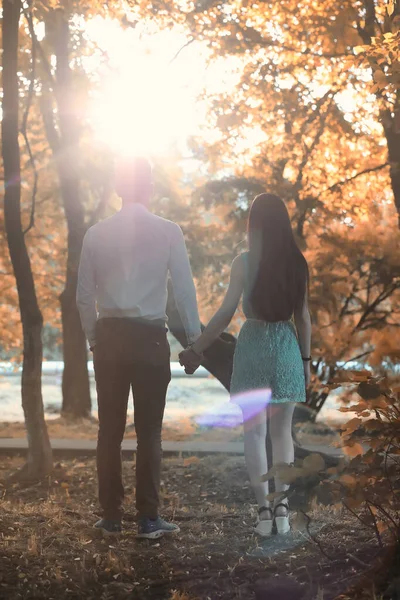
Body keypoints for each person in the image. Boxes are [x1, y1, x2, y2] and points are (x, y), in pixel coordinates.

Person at [77, 157, 201, 539]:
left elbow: (84, 296)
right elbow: (183, 291)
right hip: (150, 339)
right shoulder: (168, 231)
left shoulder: (95, 234)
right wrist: (195, 342)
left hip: (110, 337)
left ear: (117, 188)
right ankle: (148, 519)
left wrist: (93, 338)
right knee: (149, 431)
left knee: (109, 431)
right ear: (149, 188)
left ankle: (110, 517)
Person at [180, 193, 311, 537]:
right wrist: (307, 361)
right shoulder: (298, 263)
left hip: (252, 344)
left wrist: (197, 349)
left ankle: (263, 512)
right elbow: (305, 318)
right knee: (282, 433)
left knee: (254, 433)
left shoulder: (244, 262)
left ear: (254, 225)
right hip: (285, 345)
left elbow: (225, 313)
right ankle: (283, 510)